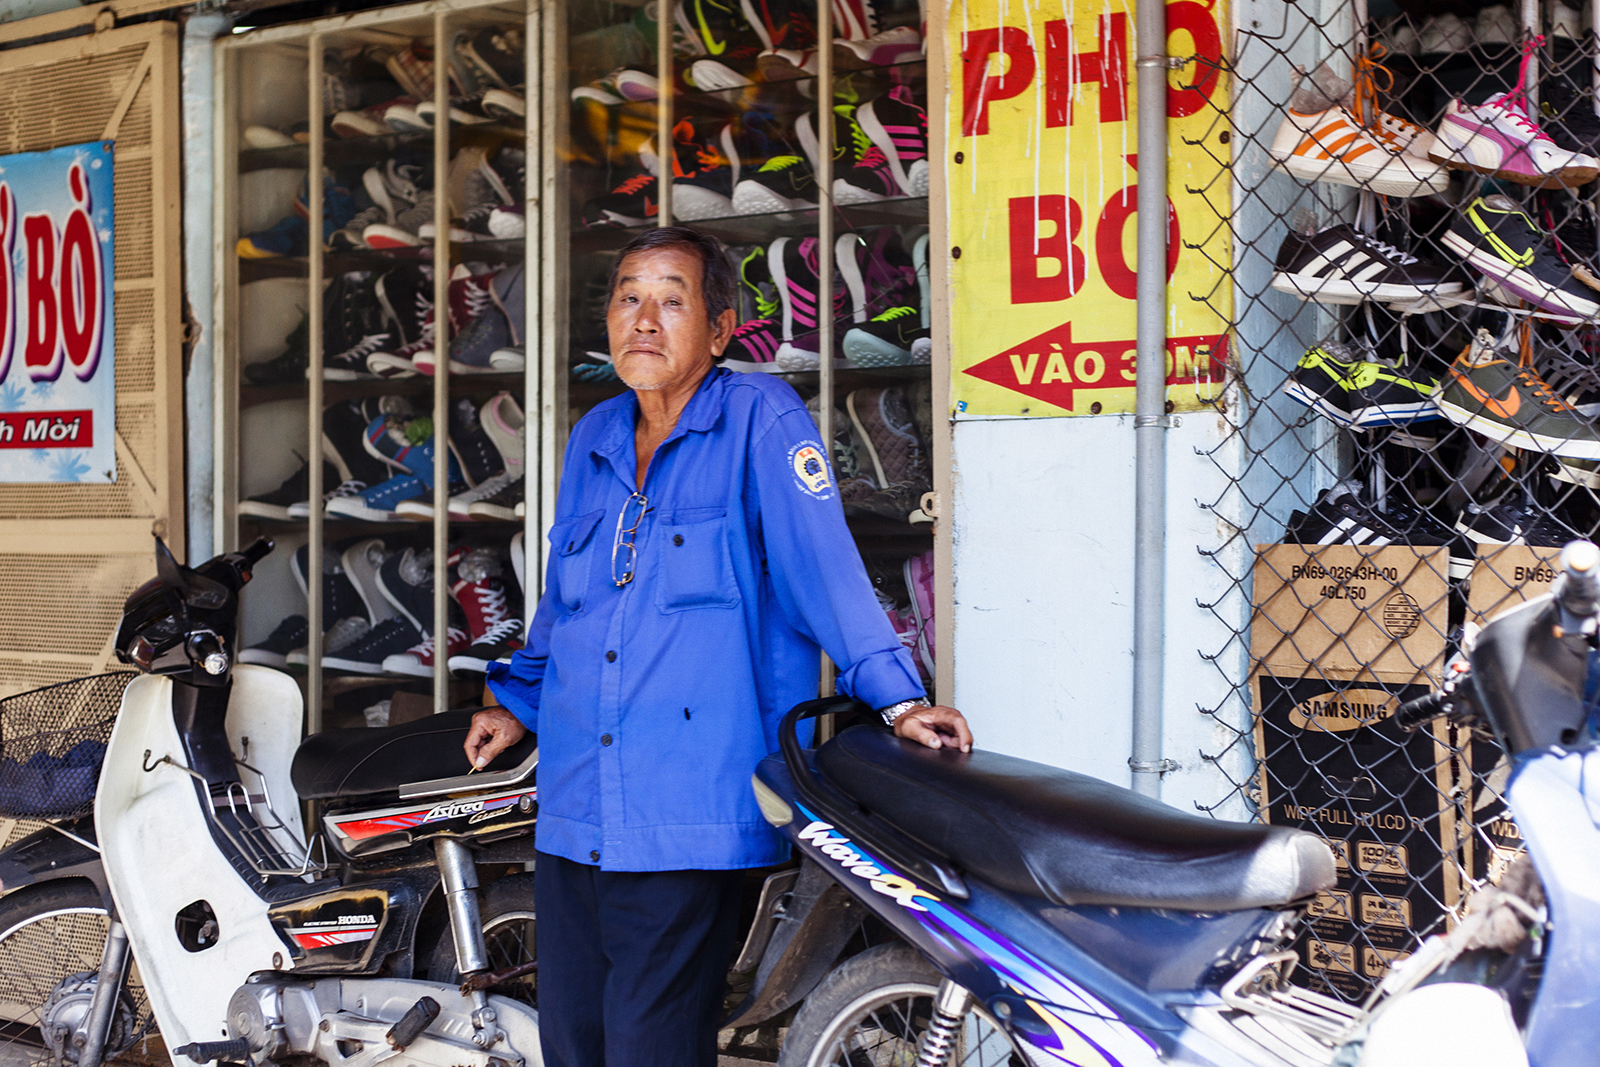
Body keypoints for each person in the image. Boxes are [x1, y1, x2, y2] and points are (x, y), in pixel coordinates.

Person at [463, 226, 972, 1067]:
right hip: (577, 799)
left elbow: (824, 570)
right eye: (629, 297)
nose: (644, 319)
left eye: (672, 300)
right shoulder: (594, 435)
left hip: (687, 805)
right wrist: (518, 699)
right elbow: (566, 598)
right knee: (574, 1042)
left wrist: (899, 697)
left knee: (650, 1045)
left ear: (721, 329)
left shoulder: (759, 418)